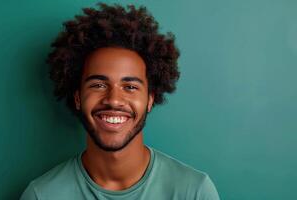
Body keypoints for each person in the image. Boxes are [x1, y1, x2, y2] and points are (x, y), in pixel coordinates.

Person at [20, 3, 220, 200]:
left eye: (130, 87)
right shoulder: (42, 195)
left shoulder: (194, 192)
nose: (114, 100)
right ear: (78, 98)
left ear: (150, 100)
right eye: (98, 85)